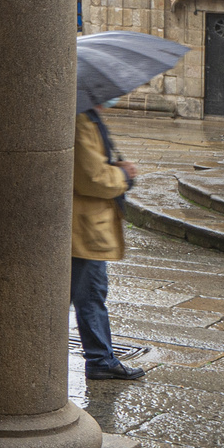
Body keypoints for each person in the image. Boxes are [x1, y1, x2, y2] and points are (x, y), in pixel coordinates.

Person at [72, 101, 145, 381]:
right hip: (83, 226)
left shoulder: (87, 117)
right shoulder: (81, 121)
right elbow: (92, 178)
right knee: (90, 293)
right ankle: (100, 359)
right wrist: (123, 174)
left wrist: (114, 166)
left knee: (88, 293)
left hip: (87, 226)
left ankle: (100, 358)